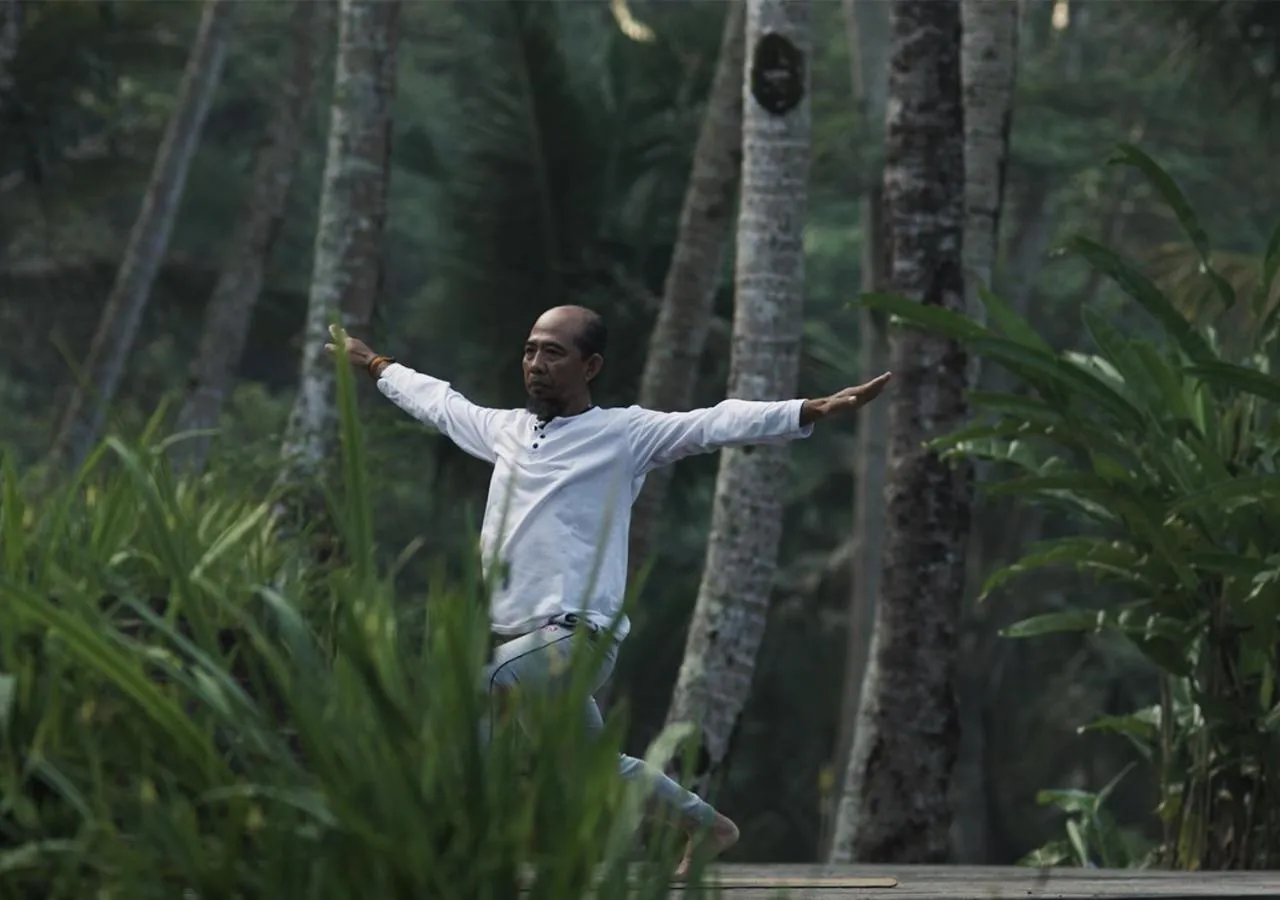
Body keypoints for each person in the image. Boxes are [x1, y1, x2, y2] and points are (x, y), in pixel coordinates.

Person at [325, 306, 890, 876]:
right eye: (530, 351)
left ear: (590, 365)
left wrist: (809, 408)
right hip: (526, 641)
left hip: (576, 636)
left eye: (554, 352)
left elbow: (712, 423)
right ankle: (709, 826)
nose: (536, 364)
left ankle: (458, 843)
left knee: (486, 685)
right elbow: (442, 404)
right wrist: (375, 364)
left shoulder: (624, 434)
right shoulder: (506, 433)